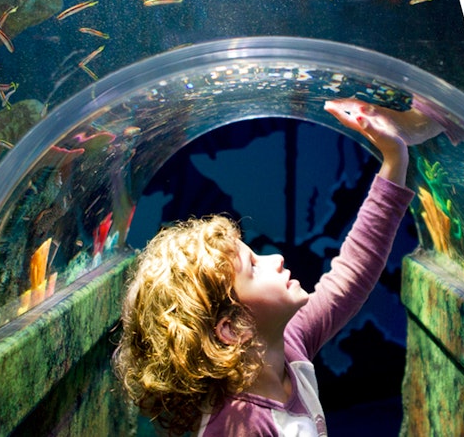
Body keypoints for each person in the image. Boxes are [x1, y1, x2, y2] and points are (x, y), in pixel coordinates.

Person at [113, 109, 414, 435]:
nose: (277, 259)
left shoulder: (287, 345)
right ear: (231, 329)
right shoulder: (238, 427)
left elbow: (353, 272)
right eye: (254, 267)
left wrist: (394, 159)